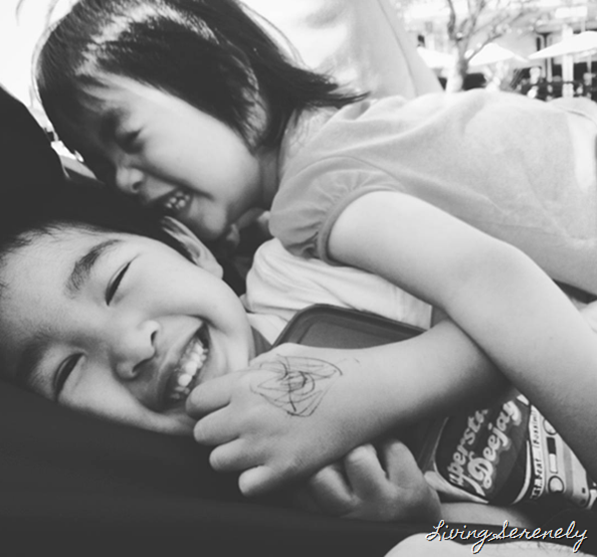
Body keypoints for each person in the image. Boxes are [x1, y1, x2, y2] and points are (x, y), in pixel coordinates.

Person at [35, 0, 597, 498]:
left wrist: (364, 393)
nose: (125, 179)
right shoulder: (355, 136)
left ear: (235, 83)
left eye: (129, 139)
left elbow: (492, 279)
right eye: (102, 164)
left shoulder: (311, 194)